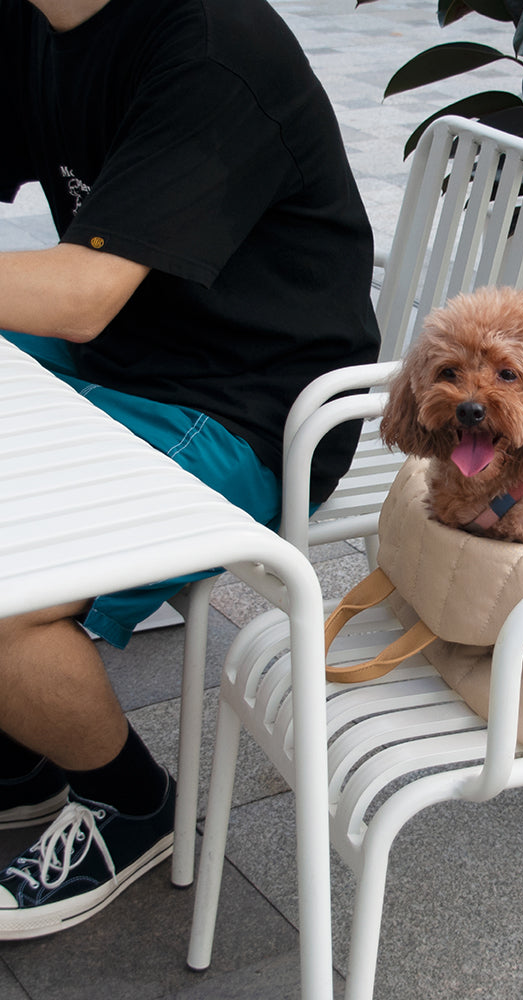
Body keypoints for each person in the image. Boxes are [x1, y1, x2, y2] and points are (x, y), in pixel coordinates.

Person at [0, 0, 380, 938]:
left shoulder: (209, 44)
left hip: (248, 404)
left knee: (9, 592)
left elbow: (82, 295)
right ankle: (28, 745)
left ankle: (133, 805)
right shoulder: (33, 22)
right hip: (126, 352)